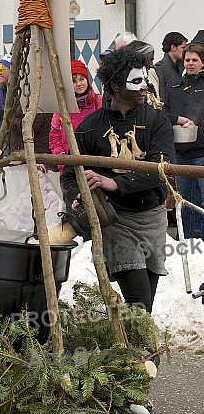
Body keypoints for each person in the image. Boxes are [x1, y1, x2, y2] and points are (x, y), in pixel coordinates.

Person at [61, 47, 174, 313]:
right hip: (116, 221)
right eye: (137, 81)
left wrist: (115, 182)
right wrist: (78, 195)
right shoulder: (90, 127)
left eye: (145, 78)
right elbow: (70, 174)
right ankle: (141, 352)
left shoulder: (157, 121)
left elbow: (163, 167)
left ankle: (138, 351)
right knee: (139, 303)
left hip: (152, 219)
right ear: (115, 85)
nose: (145, 86)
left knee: (144, 305)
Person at [163, 42, 204, 239]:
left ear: (202, 63)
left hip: (202, 152)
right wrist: (178, 121)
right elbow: (166, 113)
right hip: (181, 152)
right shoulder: (175, 88)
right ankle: (186, 243)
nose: (190, 63)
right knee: (184, 201)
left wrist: (196, 122)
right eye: (187, 59)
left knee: (203, 201)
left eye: (195, 60)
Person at [49, 60, 102, 174]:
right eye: (74, 81)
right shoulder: (62, 106)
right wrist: (62, 158)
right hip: (69, 168)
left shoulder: (98, 102)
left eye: (82, 79)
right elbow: (54, 135)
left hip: (94, 166)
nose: (79, 84)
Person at [4, 164, 63, 231]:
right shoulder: (24, 195)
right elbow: (14, 212)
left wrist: (32, 228)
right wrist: (4, 225)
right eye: (35, 177)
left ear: (45, 178)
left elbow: (49, 217)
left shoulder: (51, 195)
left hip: (45, 229)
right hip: (24, 229)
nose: (38, 180)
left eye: (41, 177)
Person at [154, 32, 187, 104]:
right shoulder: (160, 68)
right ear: (173, 47)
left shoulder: (183, 66)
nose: (185, 51)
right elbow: (161, 96)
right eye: (183, 48)